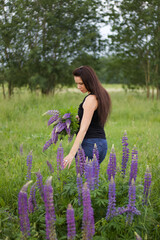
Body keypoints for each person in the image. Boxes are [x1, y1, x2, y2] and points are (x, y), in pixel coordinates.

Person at [63, 65, 111, 169]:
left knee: (82, 182)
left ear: (89, 81)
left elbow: (84, 129)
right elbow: (94, 119)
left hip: (90, 144)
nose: (78, 87)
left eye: (81, 83)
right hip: (101, 144)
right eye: (76, 84)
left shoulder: (91, 99)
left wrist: (71, 154)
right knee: (90, 181)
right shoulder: (102, 95)